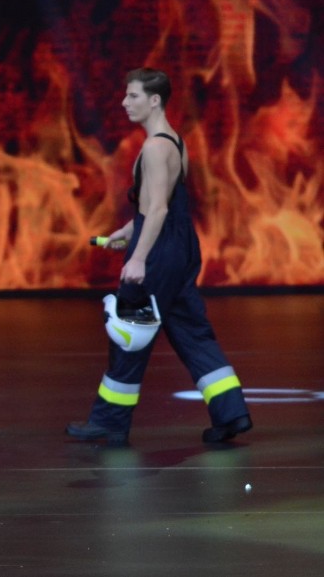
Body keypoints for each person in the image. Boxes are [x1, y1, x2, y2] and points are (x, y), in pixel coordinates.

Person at [66, 68, 251, 446]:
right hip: (180, 247)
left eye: (132, 96)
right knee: (190, 329)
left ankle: (110, 422)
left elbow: (159, 212)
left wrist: (138, 258)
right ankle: (231, 413)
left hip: (160, 250)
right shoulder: (175, 143)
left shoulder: (153, 148)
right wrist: (129, 230)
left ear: (154, 100)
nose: (124, 102)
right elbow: (159, 205)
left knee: (130, 331)